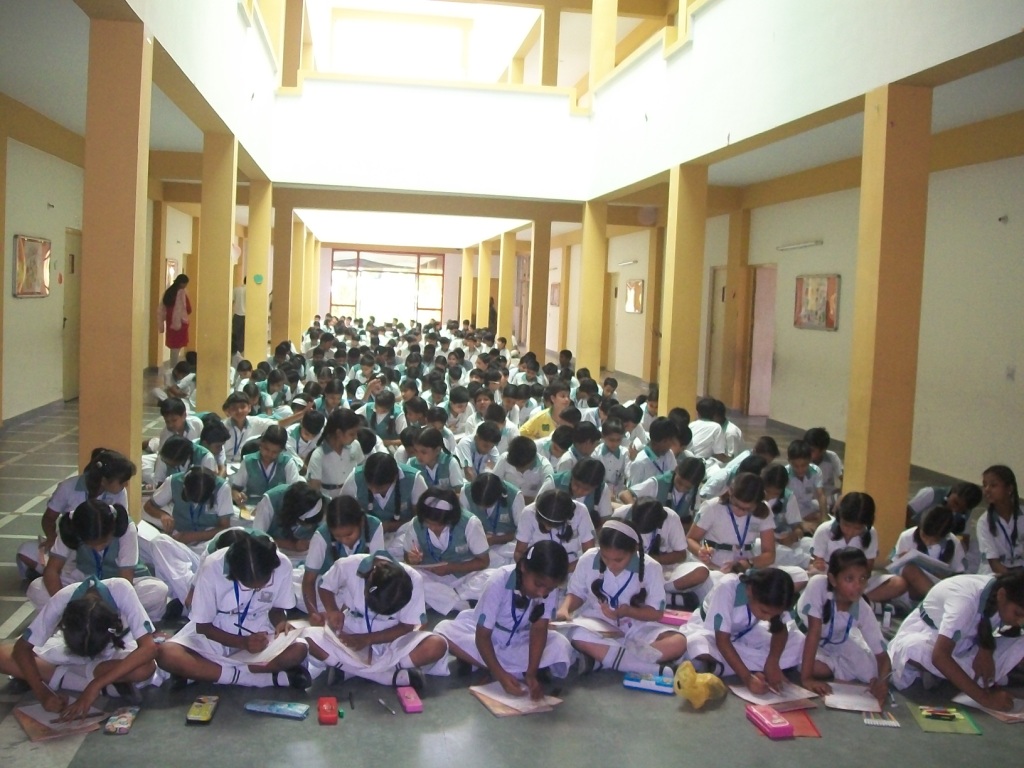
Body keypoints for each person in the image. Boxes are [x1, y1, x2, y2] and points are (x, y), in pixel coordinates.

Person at [157, 532, 311, 689]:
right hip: (216, 630)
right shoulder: (212, 566)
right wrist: (242, 643)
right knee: (166, 654)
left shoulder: (283, 564)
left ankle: (208, 671)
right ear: (234, 574)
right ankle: (261, 679)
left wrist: (281, 623)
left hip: (260, 629)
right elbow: (203, 627)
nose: (258, 589)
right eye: (249, 585)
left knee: (298, 649)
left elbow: (276, 609)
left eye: (263, 584)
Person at [0, 576, 159, 717]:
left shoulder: (120, 588)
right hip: (68, 655)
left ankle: (68, 679)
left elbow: (149, 648)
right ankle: (106, 684)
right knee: (2, 654)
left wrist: (94, 686)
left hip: (112, 652)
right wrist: (43, 694)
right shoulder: (64, 597)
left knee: (144, 668)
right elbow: (22, 648)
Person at [436, 541, 572, 698]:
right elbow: (482, 635)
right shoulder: (499, 580)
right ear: (524, 567)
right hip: (488, 635)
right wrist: (500, 676)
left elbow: (539, 630)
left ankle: (483, 663)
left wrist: (531, 673)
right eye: (538, 584)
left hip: (521, 638)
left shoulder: (548, 589)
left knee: (560, 644)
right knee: (444, 630)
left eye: (549, 589)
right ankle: (509, 669)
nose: (542, 593)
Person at [556, 520, 686, 676]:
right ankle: (643, 666)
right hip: (597, 624)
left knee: (678, 642)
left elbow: (656, 613)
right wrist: (565, 609)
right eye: (605, 557)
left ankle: (606, 659)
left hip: (637, 626)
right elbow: (576, 593)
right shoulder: (588, 559)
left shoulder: (651, 567)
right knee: (577, 635)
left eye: (618, 560)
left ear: (634, 550)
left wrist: (628, 611)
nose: (611, 564)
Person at [305, 551, 449, 689]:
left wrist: (367, 639)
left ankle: (349, 670)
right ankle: (390, 675)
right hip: (350, 632)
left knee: (437, 645)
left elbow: (407, 626)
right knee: (308, 637)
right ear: (369, 583)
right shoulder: (349, 564)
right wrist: (332, 610)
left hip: (392, 637)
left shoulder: (414, 578)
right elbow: (325, 586)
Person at [888, 571, 1024, 711]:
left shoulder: (998, 591)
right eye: (1018, 614)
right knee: (914, 649)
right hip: (931, 642)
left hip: (966, 647)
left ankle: (957, 678)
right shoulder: (965, 600)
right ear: (1001, 595)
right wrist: (986, 699)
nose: (1020, 621)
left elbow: (984, 625)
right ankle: (964, 680)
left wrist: (986, 649)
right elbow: (939, 656)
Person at [27, 500, 169, 621]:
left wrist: (100, 599)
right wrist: (65, 604)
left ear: (113, 530)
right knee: (37, 588)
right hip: (84, 582)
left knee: (158, 590)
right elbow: (52, 570)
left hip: (117, 584)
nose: (98, 549)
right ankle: (79, 618)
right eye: (90, 545)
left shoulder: (126, 527)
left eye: (104, 543)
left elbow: (125, 581)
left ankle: (102, 619)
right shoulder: (72, 525)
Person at [17, 448, 135, 579]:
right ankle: (54, 573)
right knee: (25, 551)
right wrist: (51, 537)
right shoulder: (68, 487)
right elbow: (49, 518)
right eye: (122, 481)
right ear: (103, 480)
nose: (126, 484)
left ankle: (50, 573)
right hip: (71, 544)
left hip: (100, 545)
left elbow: (120, 525)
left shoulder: (120, 493)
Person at [682, 568, 804, 691]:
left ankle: (719, 666)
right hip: (711, 633)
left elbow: (780, 630)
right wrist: (747, 678)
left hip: (746, 632)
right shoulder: (728, 586)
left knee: (798, 640)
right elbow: (722, 641)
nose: (768, 618)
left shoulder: (775, 600)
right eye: (764, 611)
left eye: (773, 615)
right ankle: (743, 667)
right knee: (697, 644)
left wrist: (773, 661)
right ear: (750, 591)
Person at [797, 548, 891, 706]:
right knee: (816, 669)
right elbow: (814, 632)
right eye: (849, 579)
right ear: (833, 579)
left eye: (863, 578)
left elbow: (882, 656)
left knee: (872, 671)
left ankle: (834, 666)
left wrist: (882, 683)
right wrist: (807, 679)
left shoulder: (863, 608)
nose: (858, 585)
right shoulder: (818, 584)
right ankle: (834, 667)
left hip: (836, 642)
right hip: (804, 636)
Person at [141, 466, 234, 606]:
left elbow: (224, 527)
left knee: (169, 564)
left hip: (207, 545)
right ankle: (190, 598)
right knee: (159, 542)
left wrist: (193, 536)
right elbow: (149, 506)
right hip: (179, 540)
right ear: (184, 487)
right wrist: (163, 515)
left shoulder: (222, 488)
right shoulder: (173, 482)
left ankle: (185, 599)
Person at [403, 488, 490, 614]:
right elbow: (407, 557)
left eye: (438, 524)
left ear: (450, 519)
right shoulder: (416, 524)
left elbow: (484, 562)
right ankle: (459, 602)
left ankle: (438, 600)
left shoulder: (470, 523)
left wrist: (452, 568)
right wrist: (412, 559)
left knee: (491, 576)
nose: (433, 528)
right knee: (408, 575)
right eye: (428, 523)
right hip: (431, 577)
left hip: (465, 576)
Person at [810, 492, 907, 604]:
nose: (850, 532)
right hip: (830, 580)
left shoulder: (871, 533)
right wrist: (818, 565)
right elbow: (815, 563)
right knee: (815, 580)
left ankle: (849, 602)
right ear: (839, 518)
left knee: (899, 583)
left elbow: (868, 569)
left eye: (857, 528)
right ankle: (859, 603)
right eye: (846, 525)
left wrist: (855, 579)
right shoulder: (824, 530)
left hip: (857, 582)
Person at [686, 473, 782, 587]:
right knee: (723, 583)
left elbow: (769, 554)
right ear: (730, 492)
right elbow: (690, 539)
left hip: (745, 565)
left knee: (790, 577)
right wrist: (701, 551)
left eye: (747, 509)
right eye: (736, 505)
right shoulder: (713, 507)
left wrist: (748, 563)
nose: (740, 512)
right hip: (713, 564)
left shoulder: (764, 511)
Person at [301, 496, 385, 621]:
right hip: (327, 587)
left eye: (349, 535)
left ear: (361, 522)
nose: (344, 540)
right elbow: (309, 580)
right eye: (337, 536)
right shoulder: (321, 536)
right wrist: (313, 613)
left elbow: (378, 570)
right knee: (295, 595)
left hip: (362, 585)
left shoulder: (374, 526)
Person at [613, 498, 710, 600]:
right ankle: (657, 594)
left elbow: (681, 555)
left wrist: (652, 560)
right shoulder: (621, 515)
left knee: (701, 572)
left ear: (659, 523)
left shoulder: (671, 518)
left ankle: (658, 590)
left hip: (666, 570)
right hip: (630, 569)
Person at [339, 452, 427, 537]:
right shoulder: (355, 477)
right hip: (366, 535)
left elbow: (422, 520)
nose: (373, 491)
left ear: (395, 478)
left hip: (405, 535)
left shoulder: (414, 479)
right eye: (369, 486)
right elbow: (343, 513)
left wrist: (389, 526)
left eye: (379, 488)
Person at [891, 505, 967, 600]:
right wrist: (902, 558)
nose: (927, 542)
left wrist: (944, 576)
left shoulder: (953, 542)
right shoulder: (907, 536)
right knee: (909, 570)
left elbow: (959, 572)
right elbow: (895, 567)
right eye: (924, 536)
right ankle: (936, 601)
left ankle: (936, 600)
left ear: (944, 536)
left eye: (933, 540)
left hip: (939, 586)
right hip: (910, 585)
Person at [514, 489, 595, 572]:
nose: (547, 528)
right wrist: (534, 572)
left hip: (571, 567)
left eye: (553, 526)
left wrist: (562, 571)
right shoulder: (529, 512)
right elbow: (519, 552)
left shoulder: (581, 511)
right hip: (537, 567)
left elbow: (589, 554)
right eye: (545, 524)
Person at [620, 455, 706, 528]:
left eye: (687, 487)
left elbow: (694, 519)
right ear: (676, 469)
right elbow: (625, 494)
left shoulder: (694, 491)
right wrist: (639, 512)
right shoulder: (657, 483)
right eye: (679, 482)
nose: (681, 489)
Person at [462, 472, 525, 566]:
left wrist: (497, 539)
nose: (481, 509)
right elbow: (463, 526)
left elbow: (523, 535)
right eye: (478, 505)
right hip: (478, 543)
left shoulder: (515, 496)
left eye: (486, 505)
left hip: (507, 543)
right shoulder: (466, 492)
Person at [229, 425, 299, 507]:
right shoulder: (248, 461)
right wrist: (237, 495)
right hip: (251, 507)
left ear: (282, 450)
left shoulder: (288, 463)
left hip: (278, 509)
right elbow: (235, 489)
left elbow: (295, 493)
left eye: (275, 452)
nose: (269, 454)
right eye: (266, 449)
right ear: (261, 444)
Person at [306, 409, 365, 499]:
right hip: (329, 500)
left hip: (353, 498)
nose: (355, 437)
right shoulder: (319, 455)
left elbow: (362, 471)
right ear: (339, 433)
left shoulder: (355, 446)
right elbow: (314, 489)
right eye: (352, 434)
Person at [976, 465, 1024, 574]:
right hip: (995, 576)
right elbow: (994, 564)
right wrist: (1016, 580)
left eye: (993, 485)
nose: (987, 490)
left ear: (1009, 489)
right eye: (984, 485)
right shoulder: (984, 522)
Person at [538, 458, 610, 528]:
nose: (579, 491)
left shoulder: (601, 490)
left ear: (596, 487)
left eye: (586, 489)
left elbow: (604, 521)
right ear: (572, 476)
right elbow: (537, 511)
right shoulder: (553, 482)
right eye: (576, 485)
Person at [493, 436, 554, 503]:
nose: (517, 470)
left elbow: (548, 498)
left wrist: (522, 500)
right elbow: (493, 482)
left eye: (521, 467)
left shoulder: (545, 468)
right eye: (515, 466)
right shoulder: (504, 458)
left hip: (532, 505)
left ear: (532, 460)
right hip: (504, 502)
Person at [409, 427, 464, 491]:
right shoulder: (411, 464)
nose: (418, 456)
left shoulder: (450, 462)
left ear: (437, 450)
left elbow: (458, 491)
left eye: (423, 452)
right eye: (415, 451)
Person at [158, 273, 191, 367]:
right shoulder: (181, 294)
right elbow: (188, 309)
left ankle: (173, 366)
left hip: (170, 323)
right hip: (180, 323)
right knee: (177, 346)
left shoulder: (168, 292)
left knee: (173, 346)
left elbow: (162, 308)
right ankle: (174, 367)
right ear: (182, 283)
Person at [231, 277, 246, 356]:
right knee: (243, 336)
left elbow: (232, 301)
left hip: (237, 315)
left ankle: (234, 352)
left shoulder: (236, 289)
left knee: (235, 335)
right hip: (247, 316)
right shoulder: (251, 291)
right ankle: (241, 353)